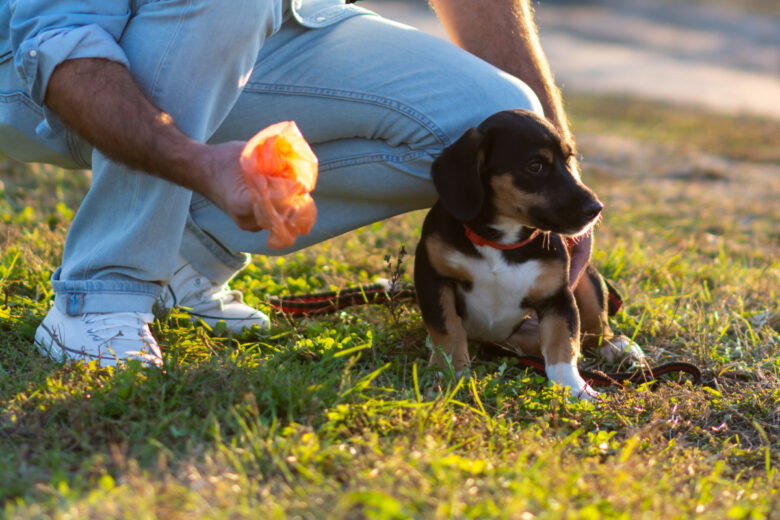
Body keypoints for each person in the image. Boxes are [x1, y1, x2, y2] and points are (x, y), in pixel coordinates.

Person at [0, 0, 591, 367]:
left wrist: (560, 189)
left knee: (487, 107)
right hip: (52, 69)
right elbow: (60, 43)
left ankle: (185, 256)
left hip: (278, 25)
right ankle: (103, 290)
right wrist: (198, 164)